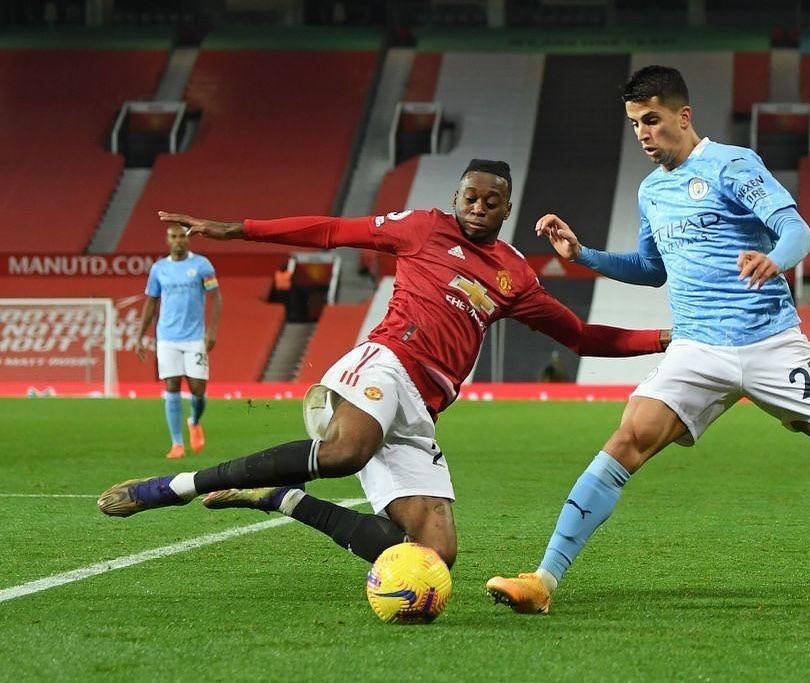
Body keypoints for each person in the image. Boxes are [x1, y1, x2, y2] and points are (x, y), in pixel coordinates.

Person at [486, 66, 810, 614]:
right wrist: (584, 256)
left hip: (771, 342)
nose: (644, 134)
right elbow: (652, 269)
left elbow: (797, 231)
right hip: (697, 348)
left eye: (652, 120)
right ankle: (543, 580)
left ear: (683, 115)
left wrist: (775, 260)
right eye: (634, 125)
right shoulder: (652, 192)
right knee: (628, 439)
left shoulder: (732, 165)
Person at [98, 159, 670, 571]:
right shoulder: (422, 227)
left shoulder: (515, 275)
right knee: (346, 452)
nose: (477, 207)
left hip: (424, 408)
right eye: (469, 197)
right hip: (386, 361)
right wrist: (239, 229)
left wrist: (666, 338)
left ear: (507, 208)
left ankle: (278, 496)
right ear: (455, 197)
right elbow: (332, 231)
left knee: (433, 554)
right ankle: (176, 486)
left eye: (490, 201)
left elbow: (581, 337)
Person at [135, 224, 222, 459]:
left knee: (198, 389)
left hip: (195, 337)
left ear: (188, 239)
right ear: (167, 240)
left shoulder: (202, 265)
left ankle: (194, 421)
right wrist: (140, 335)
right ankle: (177, 444)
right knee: (171, 385)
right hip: (167, 338)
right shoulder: (159, 269)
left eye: (182, 236)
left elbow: (216, 298)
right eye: (173, 236)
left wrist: (212, 331)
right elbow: (151, 302)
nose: (178, 240)